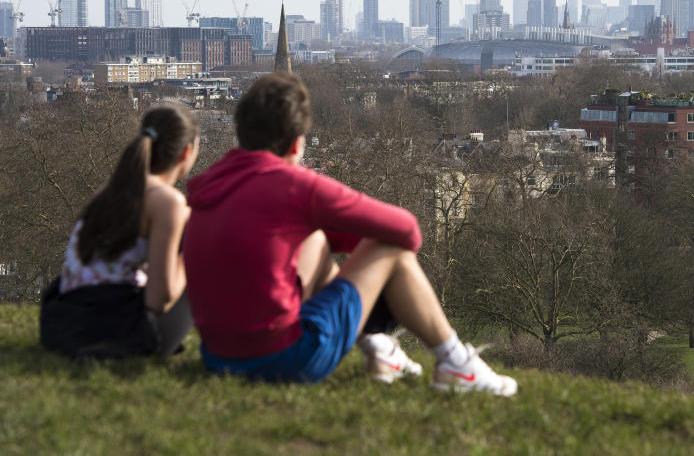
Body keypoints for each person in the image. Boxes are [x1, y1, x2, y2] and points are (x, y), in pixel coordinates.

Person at [182, 72, 516, 396]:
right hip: (282, 361)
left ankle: (382, 350)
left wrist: (326, 235)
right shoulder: (293, 187)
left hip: (219, 358)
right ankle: (458, 364)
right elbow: (406, 232)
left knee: (314, 240)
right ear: (297, 144)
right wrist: (368, 262)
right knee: (390, 250)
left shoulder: (211, 186)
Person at [41, 105, 200, 358]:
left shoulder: (111, 190)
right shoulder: (168, 201)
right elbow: (160, 299)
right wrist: (194, 245)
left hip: (61, 325)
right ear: (187, 152)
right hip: (114, 331)